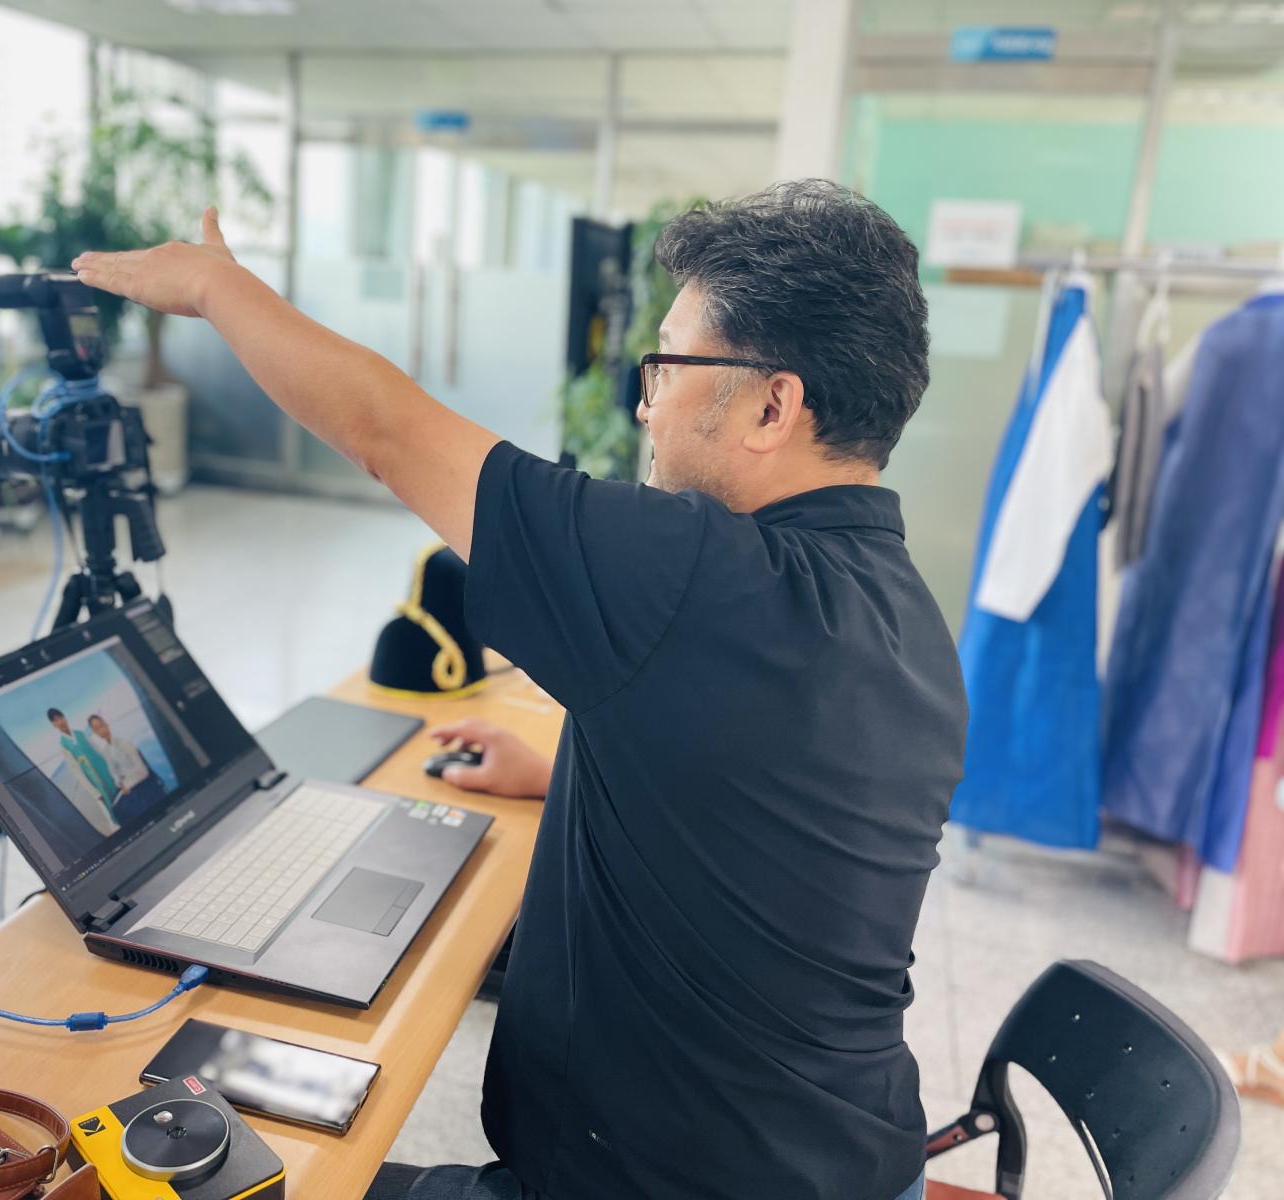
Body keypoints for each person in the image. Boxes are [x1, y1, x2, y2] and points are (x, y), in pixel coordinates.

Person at [74, 179, 966, 1200]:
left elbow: (386, 432)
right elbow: (777, 807)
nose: (645, 404)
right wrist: (558, 772)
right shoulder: (902, 615)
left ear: (773, 405)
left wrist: (212, 287)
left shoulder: (698, 574)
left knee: (170, 1176)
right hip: (847, 1165)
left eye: (668, 365)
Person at [88, 713, 166, 825]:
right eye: (96, 729)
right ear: (95, 733)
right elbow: (114, 773)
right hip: (127, 788)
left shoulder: (124, 743)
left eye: (101, 725)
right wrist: (120, 784)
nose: (101, 730)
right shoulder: (106, 751)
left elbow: (143, 771)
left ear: (106, 724)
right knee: (117, 812)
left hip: (142, 784)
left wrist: (128, 785)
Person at [48, 707, 119, 821]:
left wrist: (113, 770)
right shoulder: (63, 745)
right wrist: (94, 793)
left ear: (65, 717)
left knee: (121, 795)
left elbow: (98, 751)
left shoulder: (81, 734)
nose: (60, 722)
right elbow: (77, 772)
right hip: (95, 782)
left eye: (61, 718)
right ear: (53, 725)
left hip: (106, 771)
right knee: (114, 809)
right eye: (56, 720)